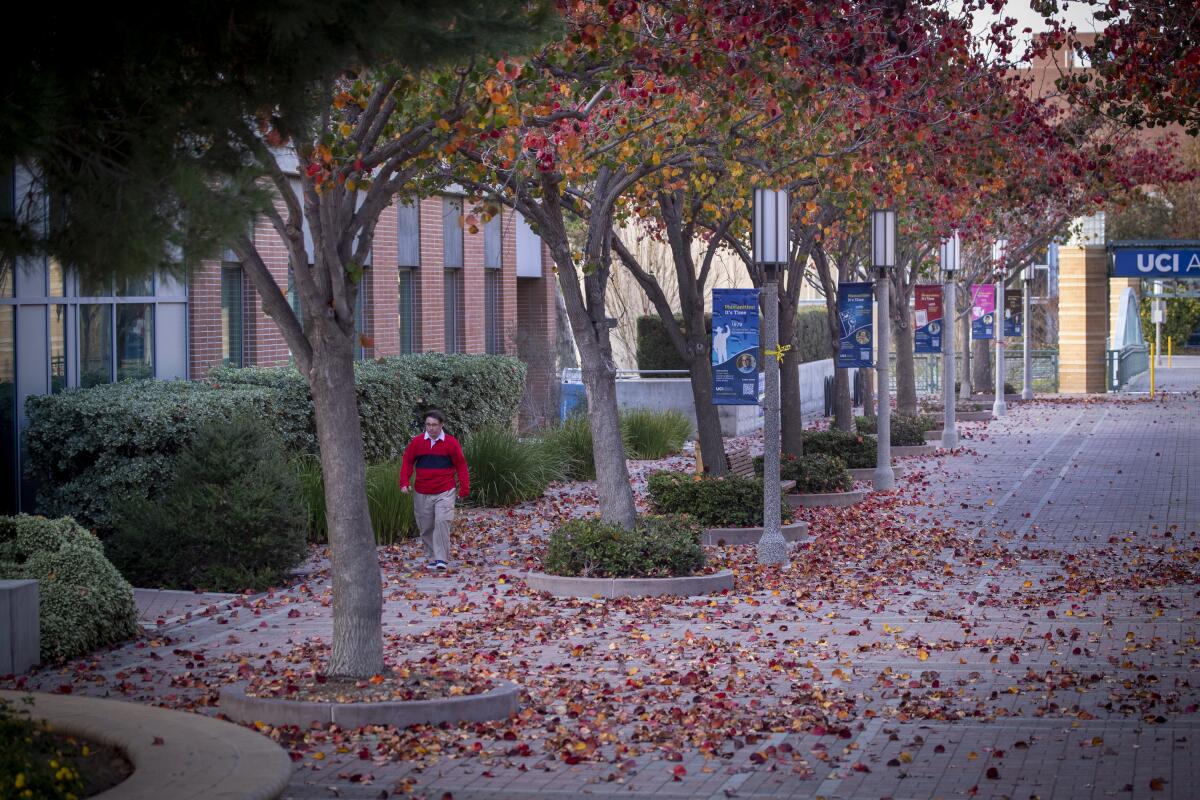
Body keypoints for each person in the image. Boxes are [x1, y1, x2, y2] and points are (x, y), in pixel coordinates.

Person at [399, 410, 469, 571]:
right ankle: (432, 557)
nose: (431, 428)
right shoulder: (417, 442)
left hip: (445, 491)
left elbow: (461, 465)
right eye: (428, 425)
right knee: (426, 526)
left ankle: (441, 559)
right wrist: (404, 482)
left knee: (442, 521)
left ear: (441, 425)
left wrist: (464, 487)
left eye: (434, 425)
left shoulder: (451, 443)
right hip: (422, 491)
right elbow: (408, 462)